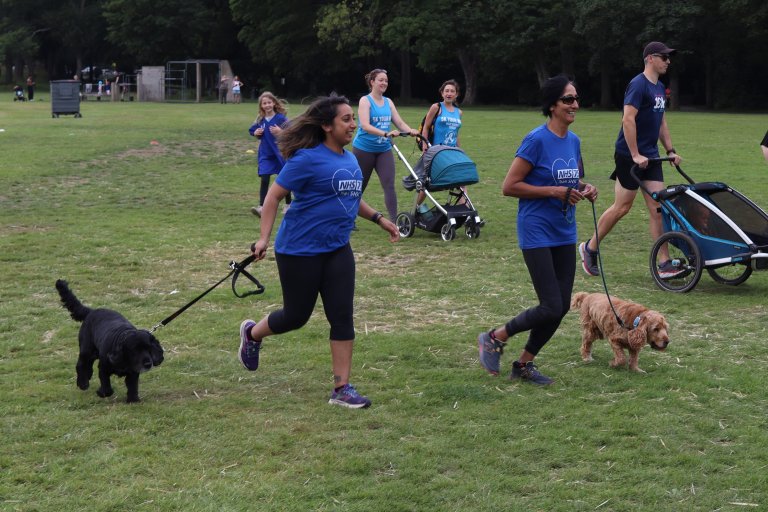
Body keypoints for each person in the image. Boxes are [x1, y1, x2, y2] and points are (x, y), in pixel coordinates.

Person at [238, 95, 401, 409]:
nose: (352, 124)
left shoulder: (350, 160)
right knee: (295, 316)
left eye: (353, 118)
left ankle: (342, 388)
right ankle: (252, 334)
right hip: (299, 250)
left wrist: (381, 220)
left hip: (337, 249)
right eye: (346, 119)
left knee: (342, 317)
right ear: (327, 125)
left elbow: (352, 198)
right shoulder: (306, 159)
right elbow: (272, 198)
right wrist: (262, 239)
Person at [477, 75, 597, 385]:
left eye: (576, 99)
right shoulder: (536, 139)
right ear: (553, 105)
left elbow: (569, 180)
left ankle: (524, 364)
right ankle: (494, 336)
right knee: (551, 304)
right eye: (568, 100)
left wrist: (585, 188)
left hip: (564, 230)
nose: (575, 105)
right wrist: (554, 192)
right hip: (536, 230)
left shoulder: (574, 141)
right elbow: (509, 186)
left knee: (559, 307)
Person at [579, 41, 683, 279]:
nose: (668, 61)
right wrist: (635, 154)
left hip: (651, 157)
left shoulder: (659, 87)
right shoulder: (638, 85)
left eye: (669, 58)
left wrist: (670, 150)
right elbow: (628, 119)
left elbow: (661, 121)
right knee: (622, 207)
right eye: (664, 57)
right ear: (650, 59)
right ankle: (589, 247)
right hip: (629, 156)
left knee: (658, 208)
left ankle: (664, 263)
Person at [352, 69, 419, 221]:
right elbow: (365, 125)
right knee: (358, 186)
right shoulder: (365, 101)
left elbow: (399, 123)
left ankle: (394, 222)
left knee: (389, 185)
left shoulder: (388, 102)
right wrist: (385, 134)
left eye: (386, 81)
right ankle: (348, 216)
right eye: (381, 80)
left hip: (384, 149)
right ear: (372, 82)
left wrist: (411, 131)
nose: (384, 83)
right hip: (364, 150)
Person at [416, 79, 467, 213]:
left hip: (451, 152)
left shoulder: (459, 112)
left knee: (461, 181)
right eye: (447, 91)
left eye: (452, 91)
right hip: (436, 152)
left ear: (456, 94)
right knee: (428, 184)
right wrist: (424, 145)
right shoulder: (436, 107)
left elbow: (456, 133)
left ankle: (466, 212)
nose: (449, 93)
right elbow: (426, 128)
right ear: (442, 93)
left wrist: (460, 151)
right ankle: (417, 208)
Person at [249, 91, 292, 217]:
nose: (267, 105)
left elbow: (291, 130)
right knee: (265, 178)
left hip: (280, 154)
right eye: (264, 103)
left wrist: (281, 131)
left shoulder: (280, 118)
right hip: (266, 155)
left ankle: (288, 204)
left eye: (269, 102)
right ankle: (262, 207)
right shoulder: (261, 120)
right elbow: (252, 130)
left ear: (274, 103)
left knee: (283, 179)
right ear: (261, 106)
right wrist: (256, 132)